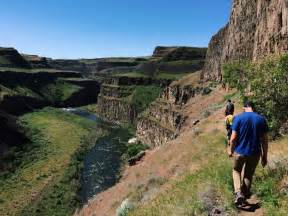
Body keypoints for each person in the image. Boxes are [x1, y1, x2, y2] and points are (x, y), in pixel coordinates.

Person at [227, 101, 269, 206]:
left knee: (236, 170)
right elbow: (265, 141)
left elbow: (233, 138)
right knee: (248, 174)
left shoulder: (238, 118)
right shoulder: (261, 119)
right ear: (253, 108)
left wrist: (230, 150)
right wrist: (264, 157)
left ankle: (238, 193)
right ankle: (244, 195)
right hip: (255, 153)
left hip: (240, 151)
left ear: (244, 107)